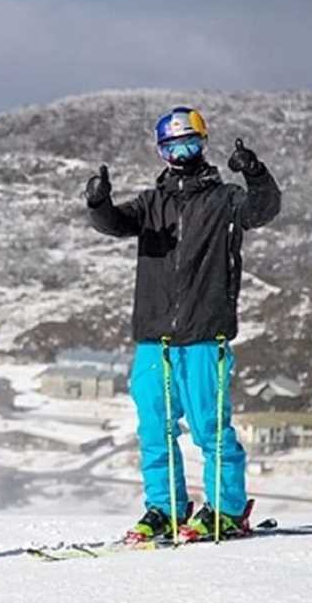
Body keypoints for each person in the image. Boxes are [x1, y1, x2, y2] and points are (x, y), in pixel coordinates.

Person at [84, 107, 281, 542]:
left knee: (210, 427)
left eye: (190, 144)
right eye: (173, 147)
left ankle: (227, 510)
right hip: (155, 338)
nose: (182, 154)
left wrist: (256, 174)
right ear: (161, 153)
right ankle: (165, 508)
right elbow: (113, 224)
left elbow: (264, 208)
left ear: (203, 143)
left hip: (204, 335)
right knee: (154, 428)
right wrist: (98, 202)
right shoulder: (151, 204)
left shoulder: (225, 201)